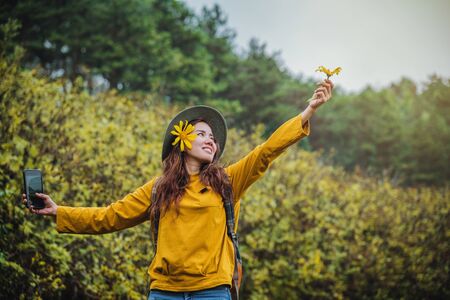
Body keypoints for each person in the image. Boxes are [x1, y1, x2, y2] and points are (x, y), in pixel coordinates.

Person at [23, 79, 334, 299]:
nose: (211, 139)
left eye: (213, 137)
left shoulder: (228, 181)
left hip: (212, 291)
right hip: (164, 293)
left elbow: (267, 150)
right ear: (182, 143)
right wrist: (58, 211)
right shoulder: (158, 190)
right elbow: (110, 217)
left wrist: (308, 112)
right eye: (202, 133)